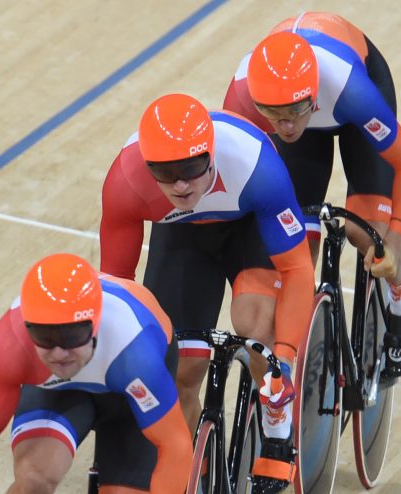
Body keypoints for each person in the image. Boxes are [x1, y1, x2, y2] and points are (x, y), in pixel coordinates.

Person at [100, 93, 315, 492]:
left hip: (249, 230)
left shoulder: (254, 164)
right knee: (177, 371)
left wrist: (282, 359)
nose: (181, 183)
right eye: (166, 172)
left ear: (212, 155)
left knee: (255, 325)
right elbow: (116, 289)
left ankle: (275, 422)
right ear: (148, 167)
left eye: (193, 168)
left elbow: (297, 267)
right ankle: (192, 473)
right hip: (183, 240)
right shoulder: (126, 181)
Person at [223, 11, 401, 378]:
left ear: (312, 96)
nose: (284, 126)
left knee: (368, 233)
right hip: (308, 121)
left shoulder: (350, 88)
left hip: (349, 106)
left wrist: (394, 237)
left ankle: (400, 295)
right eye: (273, 114)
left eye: (292, 113)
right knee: (296, 250)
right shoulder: (243, 95)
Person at [0, 253, 190, 493]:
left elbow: (175, 445)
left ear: (96, 323)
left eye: (72, 337)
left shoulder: (136, 354)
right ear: (28, 329)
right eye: (45, 338)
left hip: (128, 393)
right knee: (33, 480)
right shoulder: (10, 346)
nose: (59, 354)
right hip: (61, 390)